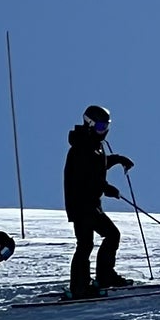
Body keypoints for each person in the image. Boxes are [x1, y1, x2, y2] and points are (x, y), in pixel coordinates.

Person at [64, 103, 137, 298]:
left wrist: (118, 159)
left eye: (105, 127)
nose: (103, 131)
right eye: (99, 127)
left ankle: (92, 281)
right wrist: (107, 189)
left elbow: (98, 165)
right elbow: (87, 177)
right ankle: (84, 285)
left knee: (90, 242)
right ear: (89, 124)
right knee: (103, 237)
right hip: (81, 204)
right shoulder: (81, 147)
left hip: (89, 203)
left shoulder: (93, 146)